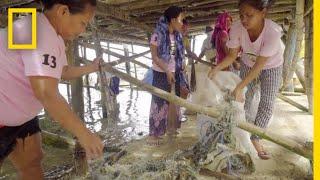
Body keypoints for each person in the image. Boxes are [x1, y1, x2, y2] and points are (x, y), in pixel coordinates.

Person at [0, 0, 104, 178]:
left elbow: (62, 71)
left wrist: (91, 68)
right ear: (63, 11)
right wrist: (84, 134)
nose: (83, 30)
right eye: (83, 23)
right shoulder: (34, 29)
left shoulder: (50, 34)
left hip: (20, 117)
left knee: (32, 161)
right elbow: (46, 93)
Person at [208, 0, 284, 160]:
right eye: (241, 15)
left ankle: (256, 138)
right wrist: (217, 68)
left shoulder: (273, 32)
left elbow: (260, 65)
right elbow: (232, 55)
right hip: (248, 63)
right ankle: (245, 135)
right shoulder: (236, 28)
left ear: (263, 13)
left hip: (272, 66)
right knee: (245, 101)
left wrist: (240, 86)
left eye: (249, 15)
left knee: (267, 103)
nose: (244, 20)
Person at [148, 6, 189, 146]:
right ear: (172, 20)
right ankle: (154, 135)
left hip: (175, 72)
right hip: (160, 73)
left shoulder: (176, 36)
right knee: (159, 102)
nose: (182, 23)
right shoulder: (157, 35)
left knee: (175, 101)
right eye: (180, 20)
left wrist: (181, 65)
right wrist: (167, 71)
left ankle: (172, 129)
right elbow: (155, 57)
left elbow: (175, 55)